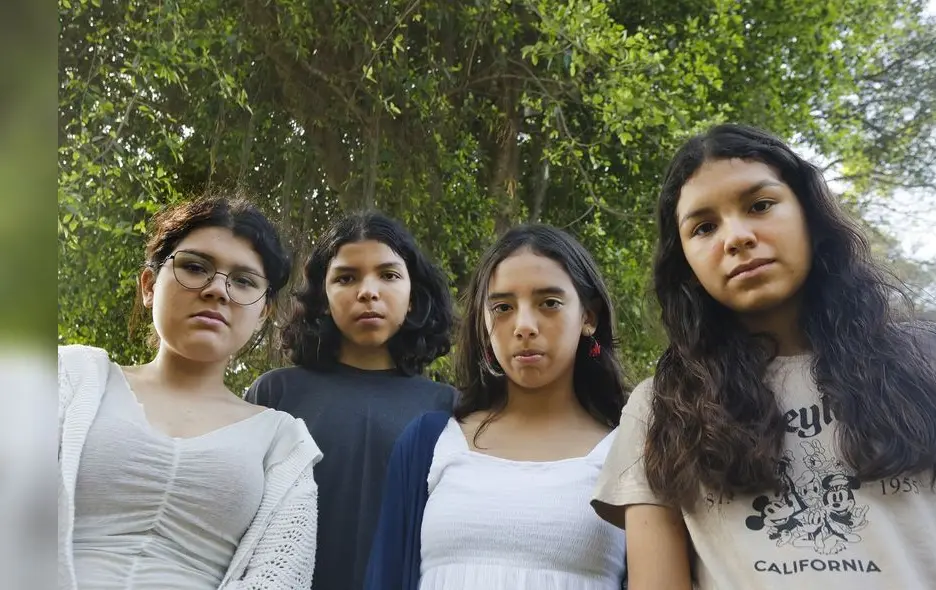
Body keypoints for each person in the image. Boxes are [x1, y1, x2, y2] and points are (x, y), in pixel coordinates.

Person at [592, 123, 936, 589]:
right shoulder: (661, 407)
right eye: (704, 227)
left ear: (810, 217)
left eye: (760, 205)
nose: (735, 237)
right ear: (688, 265)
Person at [58, 192, 323, 590]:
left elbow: (279, 578)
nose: (217, 290)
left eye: (244, 281)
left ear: (263, 311)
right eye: (195, 267)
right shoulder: (68, 379)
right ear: (149, 285)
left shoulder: (283, 444)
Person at [366, 224, 628, 590]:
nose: (523, 326)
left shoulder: (629, 453)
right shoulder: (429, 444)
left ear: (589, 317)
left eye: (549, 303)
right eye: (503, 307)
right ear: (483, 322)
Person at [246, 211, 456, 590]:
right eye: (346, 277)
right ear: (324, 298)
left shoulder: (450, 409)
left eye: (389, 275)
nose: (368, 291)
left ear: (412, 298)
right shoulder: (275, 394)